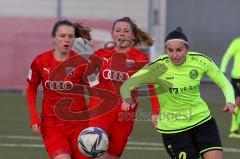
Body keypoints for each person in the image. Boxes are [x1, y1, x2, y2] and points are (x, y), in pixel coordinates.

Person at [120, 27, 236, 159]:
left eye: (179, 50)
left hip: (202, 121)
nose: (174, 55)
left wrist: (230, 100)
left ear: (187, 49)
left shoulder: (201, 61)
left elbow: (224, 83)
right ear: (166, 50)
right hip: (174, 129)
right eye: (170, 50)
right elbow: (127, 85)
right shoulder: (157, 67)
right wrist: (126, 98)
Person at [87, 17, 160, 159]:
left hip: (124, 116)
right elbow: (89, 77)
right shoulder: (100, 55)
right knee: (95, 151)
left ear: (132, 35)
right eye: (118, 30)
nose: (122, 34)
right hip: (100, 113)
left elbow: (153, 86)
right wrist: (96, 90)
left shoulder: (140, 59)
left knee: (112, 155)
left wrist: (155, 110)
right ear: (112, 34)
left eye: (126, 31)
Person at [26, 19, 92, 159]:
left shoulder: (82, 63)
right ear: (54, 38)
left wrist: (96, 122)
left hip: (80, 125)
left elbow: (95, 92)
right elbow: (31, 89)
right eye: (62, 36)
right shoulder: (40, 61)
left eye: (70, 36)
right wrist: (34, 118)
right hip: (52, 125)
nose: (66, 40)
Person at [220, 37, 240, 138]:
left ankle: (235, 129)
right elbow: (227, 55)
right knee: (238, 102)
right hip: (237, 78)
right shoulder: (237, 42)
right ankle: (234, 130)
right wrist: (222, 70)